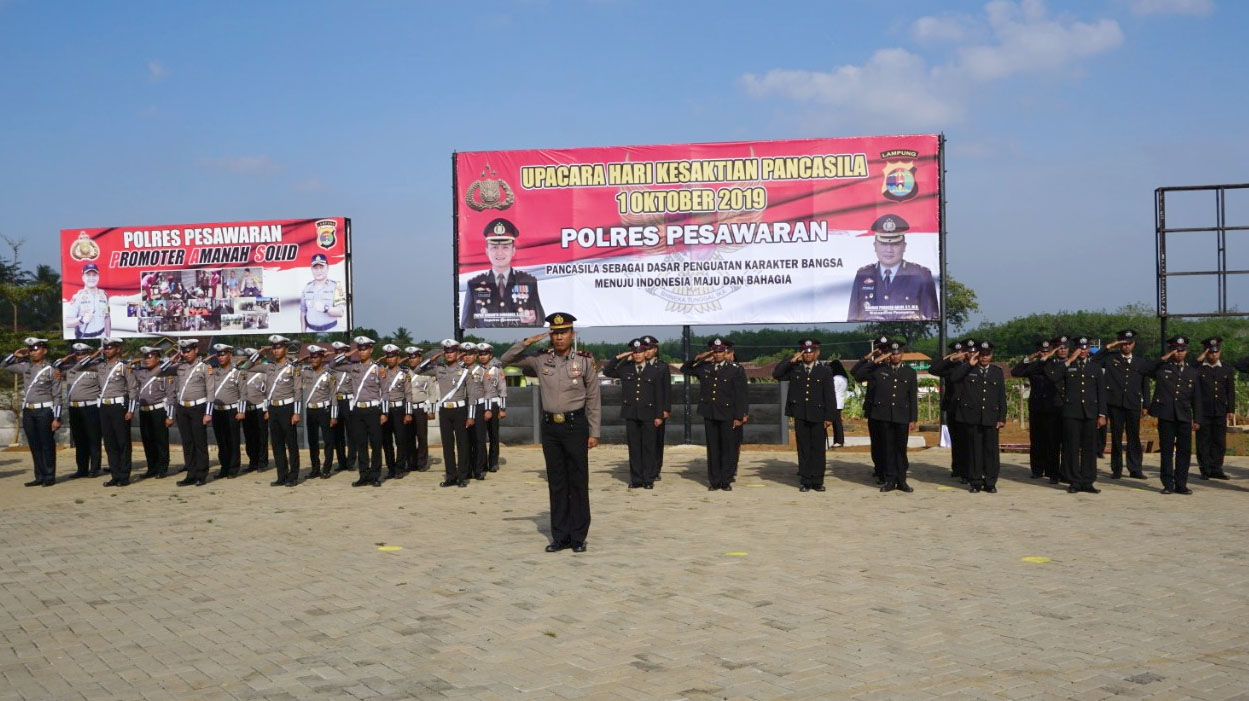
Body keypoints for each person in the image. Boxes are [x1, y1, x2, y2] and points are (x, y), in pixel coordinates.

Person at [501, 313, 600, 553]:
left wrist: (594, 431)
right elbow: (504, 360)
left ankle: (578, 536)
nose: (558, 337)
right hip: (551, 428)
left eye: (563, 332)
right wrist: (528, 342)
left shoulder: (584, 361)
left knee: (577, 481)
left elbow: (594, 397)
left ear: (572, 335)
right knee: (556, 483)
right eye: (554, 333)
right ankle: (560, 536)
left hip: (575, 426)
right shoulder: (540, 359)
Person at [681, 338, 748, 491]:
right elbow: (685, 368)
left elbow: (741, 394)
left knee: (728, 447)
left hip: (728, 413)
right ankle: (714, 481)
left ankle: (726, 480)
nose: (718, 354)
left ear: (726, 352)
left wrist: (739, 416)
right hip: (710, 413)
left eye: (720, 351)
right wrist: (700, 357)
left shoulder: (735, 369)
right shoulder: (705, 367)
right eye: (715, 351)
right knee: (713, 448)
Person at [852, 339, 918, 493]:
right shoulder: (878, 370)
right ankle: (889, 480)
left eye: (897, 354)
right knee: (887, 450)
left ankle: (902, 481)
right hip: (883, 416)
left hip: (901, 416)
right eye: (891, 354)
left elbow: (912, 397)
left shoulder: (909, 372)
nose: (895, 357)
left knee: (901, 450)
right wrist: (875, 361)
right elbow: (858, 375)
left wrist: (913, 418)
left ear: (901, 354)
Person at [771, 338, 836, 492]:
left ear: (817, 353)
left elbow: (829, 395)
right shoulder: (796, 369)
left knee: (818, 449)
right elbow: (777, 374)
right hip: (800, 413)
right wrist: (792, 359)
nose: (807, 355)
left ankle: (818, 481)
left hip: (818, 415)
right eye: (805, 352)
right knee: (804, 448)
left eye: (811, 352)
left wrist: (829, 417)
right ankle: (806, 480)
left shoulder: (824, 370)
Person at [846, 214, 938, 322]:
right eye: (883, 244)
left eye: (895, 244)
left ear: (904, 246)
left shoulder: (921, 275)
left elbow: (932, 320)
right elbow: (852, 319)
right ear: (875, 246)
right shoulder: (863, 275)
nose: (889, 250)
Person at [603, 338, 667, 489]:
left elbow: (659, 395)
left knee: (649, 447)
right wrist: (620, 357)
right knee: (634, 447)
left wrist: (659, 416)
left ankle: (648, 479)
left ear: (646, 353)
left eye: (640, 352)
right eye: (635, 352)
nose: (637, 355)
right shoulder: (626, 369)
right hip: (631, 413)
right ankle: (636, 479)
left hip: (649, 414)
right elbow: (607, 371)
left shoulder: (655, 370)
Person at [1142, 336, 1202, 494]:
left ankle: (1181, 484)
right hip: (1166, 415)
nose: (1179, 353)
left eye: (1182, 350)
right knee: (1167, 451)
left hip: (1184, 416)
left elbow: (1197, 398)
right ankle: (1167, 484)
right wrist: (1165, 357)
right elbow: (1145, 369)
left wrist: (1197, 419)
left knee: (1184, 452)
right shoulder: (1163, 368)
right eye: (1176, 350)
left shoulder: (1192, 372)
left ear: (1186, 351)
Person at [414, 339, 477, 487]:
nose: (449, 354)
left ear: (458, 353)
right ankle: (451, 476)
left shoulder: (465, 372)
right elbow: (417, 370)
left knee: (462, 445)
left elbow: (472, 395)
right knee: (447, 445)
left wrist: (471, 416)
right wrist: (433, 358)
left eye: (452, 351)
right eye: (446, 351)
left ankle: (462, 477)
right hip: (445, 411)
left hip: (460, 410)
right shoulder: (439, 369)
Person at [1047, 336, 1106, 494]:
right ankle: (1074, 481)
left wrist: (1102, 414)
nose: (1083, 351)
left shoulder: (1095, 367)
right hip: (1071, 413)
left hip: (1090, 413)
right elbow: (1054, 377)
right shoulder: (1067, 365)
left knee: (1089, 448)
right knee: (1071, 448)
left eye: (1086, 348)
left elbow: (1101, 392)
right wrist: (1068, 361)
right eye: (1080, 348)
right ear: (1075, 349)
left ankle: (1088, 481)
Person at [461, 218, 546, 328]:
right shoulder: (474, 284)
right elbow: (466, 324)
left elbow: (540, 319)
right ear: (487, 251)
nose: (500, 253)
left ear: (513, 251)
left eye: (505, 247)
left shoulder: (528, 281)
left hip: (519, 337)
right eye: (494, 247)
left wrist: (532, 318)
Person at [949, 341, 1007, 493]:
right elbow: (954, 378)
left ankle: (990, 482)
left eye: (987, 355)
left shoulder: (997, 371)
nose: (985, 358)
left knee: (991, 452)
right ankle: (975, 482)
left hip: (991, 417)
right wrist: (969, 364)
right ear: (977, 355)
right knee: (974, 451)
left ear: (992, 355)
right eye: (982, 355)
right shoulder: (968, 369)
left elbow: (1001, 396)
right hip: (972, 417)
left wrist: (1002, 417)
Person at [3, 338, 62, 486]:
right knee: (34, 445)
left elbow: (57, 395)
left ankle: (49, 477)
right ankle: (39, 476)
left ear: (44, 350)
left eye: (36, 349)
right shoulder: (25, 367)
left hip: (44, 411)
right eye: (31, 349)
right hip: (28, 411)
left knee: (46, 444)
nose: (33, 352)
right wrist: (16, 355)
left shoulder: (51, 370)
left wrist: (57, 417)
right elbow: (4, 365)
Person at [1093, 329, 1150, 479]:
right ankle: (1116, 469)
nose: (1126, 347)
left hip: (1133, 403)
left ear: (1134, 344)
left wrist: (1146, 405)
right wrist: (1110, 346)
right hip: (1115, 403)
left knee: (1134, 437)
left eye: (1129, 344)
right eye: (1123, 344)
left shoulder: (1140, 362)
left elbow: (1145, 384)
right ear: (1120, 344)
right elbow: (1094, 359)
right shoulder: (1111, 358)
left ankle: (1135, 469)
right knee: (1116, 438)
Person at [251, 335, 303, 486]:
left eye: (279, 347)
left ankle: (293, 476)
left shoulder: (293, 368)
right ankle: (282, 476)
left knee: (291, 444)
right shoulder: (268, 367)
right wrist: (260, 352)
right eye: (273, 347)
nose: (275, 350)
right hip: (273, 409)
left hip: (287, 408)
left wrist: (296, 412)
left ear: (286, 349)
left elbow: (298, 391)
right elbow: (245, 367)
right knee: (277, 444)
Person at [161, 339, 211, 486]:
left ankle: (201, 474)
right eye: (184, 351)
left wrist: (208, 413)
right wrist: (172, 359)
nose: (186, 354)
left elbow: (211, 391)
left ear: (196, 350)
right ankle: (191, 473)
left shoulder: (204, 367)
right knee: (187, 443)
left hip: (198, 408)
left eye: (188, 350)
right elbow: (159, 371)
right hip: (182, 408)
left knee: (199, 442)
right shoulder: (180, 367)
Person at [337, 336, 386, 486]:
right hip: (357, 410)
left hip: (373, 410)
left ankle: (375, 476)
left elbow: (385, 392)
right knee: (361, 444)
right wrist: (346, 354)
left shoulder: (379, 369)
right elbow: (332, 365)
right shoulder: (353, 367)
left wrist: (384, 413)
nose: (362, 352)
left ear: (371, 350)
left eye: (365, 349)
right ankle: (363, 475)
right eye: (360, 349)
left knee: (376, 444)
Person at [1012, 339, 1062, 481]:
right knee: (1037, 441)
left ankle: (1052, 471)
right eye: (1042, 351)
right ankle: (1037, 470)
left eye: (1047, 351)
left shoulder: (1056, 365)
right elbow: (1016, 371)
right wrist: (1030, 358)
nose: (1045, 354)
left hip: (1053, 407)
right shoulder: (1034, 366)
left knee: (1053, 441)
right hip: (1037, 407)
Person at [91, 338, 135, 486]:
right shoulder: (100, 366)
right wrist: (95, 354)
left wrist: (130, 409)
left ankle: (124, 476)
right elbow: (78, 367)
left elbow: (132, 389)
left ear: (117, 349)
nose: (107, 350)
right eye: (105, 348)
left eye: (110, 348)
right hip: (104, 407)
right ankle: (115, 475)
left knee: (122, 442)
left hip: (119, 407)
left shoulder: (124, 367)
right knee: (109, 443)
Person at [929, 339, 973, 483]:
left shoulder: (973, 365)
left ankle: (970, 469)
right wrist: (950, 358)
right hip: (953, 406)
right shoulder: (950, 366)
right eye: (957, 351)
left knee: (969, 440)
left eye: (963, 351)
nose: (961, 354)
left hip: (970, 408)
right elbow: (933, 369)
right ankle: (958, 467)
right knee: (957, 439)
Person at [58, 343, 103, 479]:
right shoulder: (70, 368)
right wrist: (68, 357)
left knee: (93, 439)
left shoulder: (96, 368)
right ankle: (81, 469)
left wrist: (93, 357)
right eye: (77, 354)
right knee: (80, 440)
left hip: (91, 407)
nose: (79, 356)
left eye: (82, 353)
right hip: (74, 408)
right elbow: (55, 367)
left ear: (88, 354)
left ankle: (94, 468)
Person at [1195, 338, 1234, 481]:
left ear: (1220, 352)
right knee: (1203, 441)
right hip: (1203, 411)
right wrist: (1199, 359)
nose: (1214, 355)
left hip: (1220, 410)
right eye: (1211, 353)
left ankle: (1216, 468)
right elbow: (1188, 370)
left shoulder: (1226, 368)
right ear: (1206, 353)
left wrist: (1230, 409)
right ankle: (1205, 469)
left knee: (1219, 441)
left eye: (1216, 352)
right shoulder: (1199, 368)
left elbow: (1230, 390)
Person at [132, 346, 172, 479]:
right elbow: (126, 368)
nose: (147, 360)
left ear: (157, 358)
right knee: (147, 440)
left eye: (150, 357)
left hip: (158, 410)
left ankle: (162, 468)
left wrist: (170, 415)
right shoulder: (140, 372)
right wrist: (134, 361)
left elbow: (171, 395)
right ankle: (151, 468)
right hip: (144, 411)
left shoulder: (165, 373)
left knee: (160, 440)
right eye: (145, 357)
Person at [206, 344, 245, 480]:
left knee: (233, 440)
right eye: (219, 355)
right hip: (217, 410)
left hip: (232, 410)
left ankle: (233, 468)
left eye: (223, 354)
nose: (221, 357)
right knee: (221, 441)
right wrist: (208, 358)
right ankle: (224, 467)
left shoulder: (238, 372)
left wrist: (241, 411)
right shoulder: (213, 371)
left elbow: (243, 394)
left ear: (230, 355)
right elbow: (201, 366)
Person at [301, 344, 339, 480]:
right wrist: (304, 357)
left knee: (328, 441)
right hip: (310, 410)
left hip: (324, 410)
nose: (313, 359)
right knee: (313, 441)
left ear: (322, 358)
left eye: (316, 356)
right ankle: (315, 469)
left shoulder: (329, 375)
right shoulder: (306, 371)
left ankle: (326, 469)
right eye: (311, 357)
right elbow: (294, 365)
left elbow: (334, 396)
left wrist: (334, 416)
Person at [639, 335, 671, 478]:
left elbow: (666, 390)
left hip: (657, 410)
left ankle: (656, 469)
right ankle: (643, 468)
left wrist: (665, 409)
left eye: (649, 348)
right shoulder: (638, 366)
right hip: (643, 409)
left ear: (655, 350)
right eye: (644, 348)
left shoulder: (662, 366)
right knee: (642, 441)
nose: (647, 351)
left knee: (657, 441)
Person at [379, 343, 410, 480]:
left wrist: (408, 413)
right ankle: (390, 468)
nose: (390, 359)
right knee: (386, 441)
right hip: (385, 410)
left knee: (400, 440)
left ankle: (399, 468)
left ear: (398, 357)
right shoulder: (381, 372)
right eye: (388, 357)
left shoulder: (404, 373)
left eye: (392, 357)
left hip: (399, 409)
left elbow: (408, 394)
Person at [238, 347, 270, 474]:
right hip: (247, 408)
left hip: (260, 408)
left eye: (256, 358)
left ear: (260, 359)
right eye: (249, 358)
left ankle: (262, 462)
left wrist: (267, 410)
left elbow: (268, 392)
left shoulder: (264, 372)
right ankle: (253, 461)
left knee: (261, 436)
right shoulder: (243, 372)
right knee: (249, 436)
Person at [462, 343, 490, 480]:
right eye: (465, 354)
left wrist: (488, 409)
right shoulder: (459, 370)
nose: (467, 357)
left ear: (475, 356)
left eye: (471, 354)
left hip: (479, 407)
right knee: (465, 441)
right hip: (463, 407)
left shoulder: (482, 371)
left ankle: (478, 469)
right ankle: (467, 469)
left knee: (479, 439)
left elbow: (488, 391)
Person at [402, 347, 432, 472]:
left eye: (414, 357)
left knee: (422, 436)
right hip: (407, 409)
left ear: (420, 358)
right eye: (410, 357)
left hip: (421, 408)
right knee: (409, 436)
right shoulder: (404, 373)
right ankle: (411, 462)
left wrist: (431, 410)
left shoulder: (427, 373)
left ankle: (422, 463)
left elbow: (432, 393)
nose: (412, 360)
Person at [478, 343, 507, 473]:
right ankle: (482, 462)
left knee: (493, 435)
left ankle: (493, 462)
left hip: (494, 405)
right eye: (480, 354)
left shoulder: (497, 370)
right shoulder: (475, 370)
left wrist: (503, 409)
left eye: (485, 354)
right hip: (479, 405)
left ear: (490, 355)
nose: (482, 356)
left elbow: (502, 389)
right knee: (480, 436)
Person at [301, 254, 346, 332]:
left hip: (331, 331)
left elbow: (341, 312)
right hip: (310, 331)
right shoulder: (306, 288)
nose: (319, 271)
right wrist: (303, 333)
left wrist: (326, 308)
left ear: (328, 268)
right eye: (315, 268)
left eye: (322, 267)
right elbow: (303, 313)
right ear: (311, 269)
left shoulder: (336, 286)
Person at [329, 340, 356, 474]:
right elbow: (331, 365)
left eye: (341, 352)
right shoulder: (332, 368)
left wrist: (346, 357)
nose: (337, 355)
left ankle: (351, 461)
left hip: (349, 402)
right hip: (336, 402)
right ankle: (341, 462)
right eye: (336, 352)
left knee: (351, 433)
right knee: (337, 434)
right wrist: (342, 356)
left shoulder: (352, 368)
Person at [66, 262, 111, 339]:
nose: (91, 278)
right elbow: (68, 323)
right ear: (83, 277)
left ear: (98, 277)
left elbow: (107, 317)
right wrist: (81, 320)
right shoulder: (77, 297)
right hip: (84, 338)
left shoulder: (104, 295)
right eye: (88, 275)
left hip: (102, 336)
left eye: (94, 275)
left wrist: (108, 336)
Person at [827, 358, 848, 448]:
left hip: (835, 401)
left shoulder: (836, 379)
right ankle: (838, 440)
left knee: (837, 423)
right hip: (840, 401)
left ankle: (839, 441)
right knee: (837, 422)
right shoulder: (844, 378)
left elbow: (831, 390)